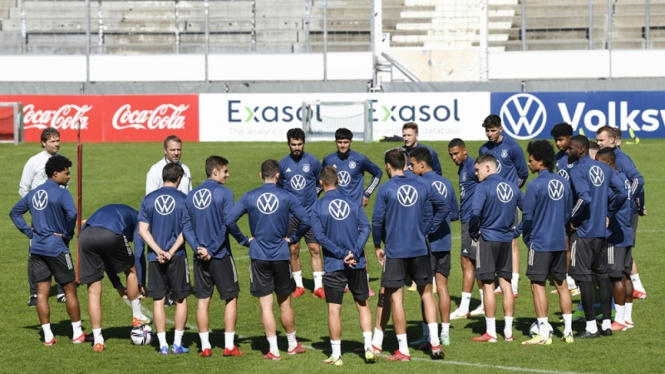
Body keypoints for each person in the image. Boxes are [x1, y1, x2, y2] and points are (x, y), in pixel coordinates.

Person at [226, 159, 310, 360]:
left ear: (260, 175)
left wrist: (245, 241)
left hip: (258, 255)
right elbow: (306, 219)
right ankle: (292, 344)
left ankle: (273, 350)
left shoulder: (250, 196)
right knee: (285, 303)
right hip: (281, 254)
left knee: (266, 305)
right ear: (279, 176)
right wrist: (293, 239)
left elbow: (229, 220)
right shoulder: (286, 196)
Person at [371, 148, 447, 361]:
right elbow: (443, 208)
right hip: (420, 248)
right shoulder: (422, 185)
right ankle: (435, 343)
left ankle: (403, 350)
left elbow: (377, 221)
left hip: (395, 250)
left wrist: (377, 244)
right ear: (405, 163)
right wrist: (424, 230)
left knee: (396, 299)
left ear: (388, 165)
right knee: (427, 293)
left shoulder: (386, 189)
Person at [10, 155, 85, 345]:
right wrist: (67, 234)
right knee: (70, 291)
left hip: (36, 249)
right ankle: (77, 334)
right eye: (66, 173)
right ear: (55, 173)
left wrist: (29, 233)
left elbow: (15, 212)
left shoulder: (35, 192)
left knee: (42, 294)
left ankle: (48, 336)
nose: (68, 177)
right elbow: (73, 213)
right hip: (56, 248)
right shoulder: (62, 193)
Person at [309, 166, 375, 365]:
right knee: (362, 305)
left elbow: (319, 236)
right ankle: (369, 348)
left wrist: (341, 254)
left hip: (334, 264)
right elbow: (365, 228)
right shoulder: (353, 203)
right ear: (338, 182)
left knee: (334, 309)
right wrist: (354, 252)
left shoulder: (317, 207)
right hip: (357, 263)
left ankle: (336, 355)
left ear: (321, 183)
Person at [182, 156, 248, 357]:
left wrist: (198, 247)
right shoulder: (225, 193)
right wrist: (211, 249)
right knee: (231, 298)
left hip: (199, 257)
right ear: (215, 172)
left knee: (202, 301)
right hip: (220, 255)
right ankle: (229, 346)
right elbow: (227, 224)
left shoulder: (190, 195)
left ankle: (205, 347)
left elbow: (186, 226)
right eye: (225, 171)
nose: (228, 174)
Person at [566, 135, 626, 338]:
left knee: (584, 279)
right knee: (602, 277)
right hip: (601, 232)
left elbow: (584, 197)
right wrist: (608, 213)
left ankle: (591, 326)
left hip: (583, 233)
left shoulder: (576, 170)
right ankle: (607, 325)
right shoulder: (605, 168)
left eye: (570, 149)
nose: (567, 151)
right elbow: (623, 193)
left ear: (580, 150)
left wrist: (572, 218)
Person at [520, 140, 574, 345]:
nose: (528, 163)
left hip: (540, 243)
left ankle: (543, 333)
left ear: (541, 162)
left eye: (531, 160)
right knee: (562, 285)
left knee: (537, 284)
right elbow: (568, 212)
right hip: (560, 241)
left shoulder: (534, 185)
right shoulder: (563, 182)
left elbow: (527, 217)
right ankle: (568, 332)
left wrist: (527, 237)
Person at [78, 204, 151, 352]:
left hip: (85, 236)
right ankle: (137, 316)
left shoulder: (121, 212)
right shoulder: (141, 222)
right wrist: (141, 281)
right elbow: (138, 254)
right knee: (132, 270)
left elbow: (106, 259)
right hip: (111, 232)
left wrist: (117, 285)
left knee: (93, 292)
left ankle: (98, 340)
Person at [322, 128, 382, 296]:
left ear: (351, 142)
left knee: (359, 247)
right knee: (337, 243)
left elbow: (378, 173)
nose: (342, 145)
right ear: (335, 142)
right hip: (335, 211)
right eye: (340, 142)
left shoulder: (360, 159)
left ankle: (365, 283)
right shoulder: (329, 159)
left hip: (355, 210)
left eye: (345, 142)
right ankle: (343, 281)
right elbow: (323, 181)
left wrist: (367, 193)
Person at [137, 163, 190, 355]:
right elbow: (187, 230)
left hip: (153, 257)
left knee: (158, 300)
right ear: (179, 179)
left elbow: (143, 230)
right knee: (181, 298)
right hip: (177, 256)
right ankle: (177, 343)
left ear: (163, 177)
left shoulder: (148, 199)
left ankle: (162, 345)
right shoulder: (185, 199)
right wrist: (170, 251)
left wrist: (158, 251)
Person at [469, 154, 522, 343]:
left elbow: (475, 213)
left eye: (478, 170)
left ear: (488, 168)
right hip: (506, 240)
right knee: (506, 283)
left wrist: (473, 231)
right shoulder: (512, 186)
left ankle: (491, 332)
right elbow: (529, 212)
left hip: (488, 239)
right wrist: (517, 231)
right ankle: (508, 332)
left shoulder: (483, 187)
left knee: (488, 283)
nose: (476, 174)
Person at [409, 147, 459, 347]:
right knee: (443, 288)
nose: (411, 169)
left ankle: (427, 334)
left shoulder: (420, 183)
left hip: (426, 243)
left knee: (426, 291)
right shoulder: (446, 182)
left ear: (423, 164)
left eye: (412, 165)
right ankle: (444, 333)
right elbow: (454, 213)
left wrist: (427, 229)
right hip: (445, 241)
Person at [479, 114, 528, 297]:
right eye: (487, 131)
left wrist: (510, 193)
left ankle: (512, 283)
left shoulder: (512, 147)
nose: (490, 134)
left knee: (511, 240)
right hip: (490, 202)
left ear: (501, 128)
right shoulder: (484, 149)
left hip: (508, 201)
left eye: (493, 130)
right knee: (493, 239)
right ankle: (500, 280)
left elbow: (523, 173)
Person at [596, 126, 647, 300]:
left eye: (601, 140)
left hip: (623, 212)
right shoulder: (607, 157)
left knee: (621, 253)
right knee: (620, 253)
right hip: (620, 210)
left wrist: (630, 201)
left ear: (612, 140)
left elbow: (638, 180)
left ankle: (635, 289)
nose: (598, 143)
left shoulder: (620, 158)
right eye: (597, 140)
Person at [18, 128, 66, 306]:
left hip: (58, 214)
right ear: (43, 143)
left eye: (58, 140)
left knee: (61, 249)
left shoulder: (61, 162)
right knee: (35, 252)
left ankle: (62, 290)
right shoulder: (34, 162)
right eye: (53, 141)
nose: (56, 144)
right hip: (40, 215)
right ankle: (35, 294)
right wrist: (33, 207)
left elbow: (64, 187)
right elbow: (24, 187)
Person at [278, 128, 324, 298]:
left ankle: (319, 287)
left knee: (315, 249)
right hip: (290, 216)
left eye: (299, 144)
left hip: (311, 214)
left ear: (304, 143)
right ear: (288, 144)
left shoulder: (312, 161)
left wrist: (314, 194)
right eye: (293, 144)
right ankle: (299, 286)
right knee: (294, 250)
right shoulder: (283, 164)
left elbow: (321, 182)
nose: (296, 147)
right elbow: (279, 188)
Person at [146, 135, 191, 307]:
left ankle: (174, 290)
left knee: (179, 252)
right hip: (162, 218)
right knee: (161, 251)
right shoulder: (155, 171)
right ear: (165, 150)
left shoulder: (185, 169)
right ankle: (163, 291)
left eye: (179, 149)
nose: (176, 153)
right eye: (173, 150)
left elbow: (189, 192)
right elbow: (149, 197)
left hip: (181, 217)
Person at [595, 148, 635, 331]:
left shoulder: (611, 181)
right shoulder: (623, 178)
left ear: (608, 163)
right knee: (625, 275)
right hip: (626, 232)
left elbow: (616, 199)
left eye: (599, 163)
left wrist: (608, 214)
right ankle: (627, 318)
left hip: (615, 236)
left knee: (615, 276)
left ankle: (618, 320)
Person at [448, 138, 486, 319]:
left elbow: (485, 186)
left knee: (468, 261)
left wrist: (479, 218)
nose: (454, 157)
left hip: (473, 220)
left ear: (465, 151)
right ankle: (483, 304)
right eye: (451, 155)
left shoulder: (472, 167)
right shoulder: (462, 168)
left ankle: (465, 307)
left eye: (456, 153)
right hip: (467, 219)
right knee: (471, 261)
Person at [549, 122, 579, 295]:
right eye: (556, 140)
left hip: (579, 207)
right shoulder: (557, 158)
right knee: (565, 244)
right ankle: (569, 280)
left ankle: (580, 279)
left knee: (579, 246)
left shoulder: (578, 155)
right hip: (563, 207)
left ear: (570, 138)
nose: (558, 143)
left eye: (561, 139)